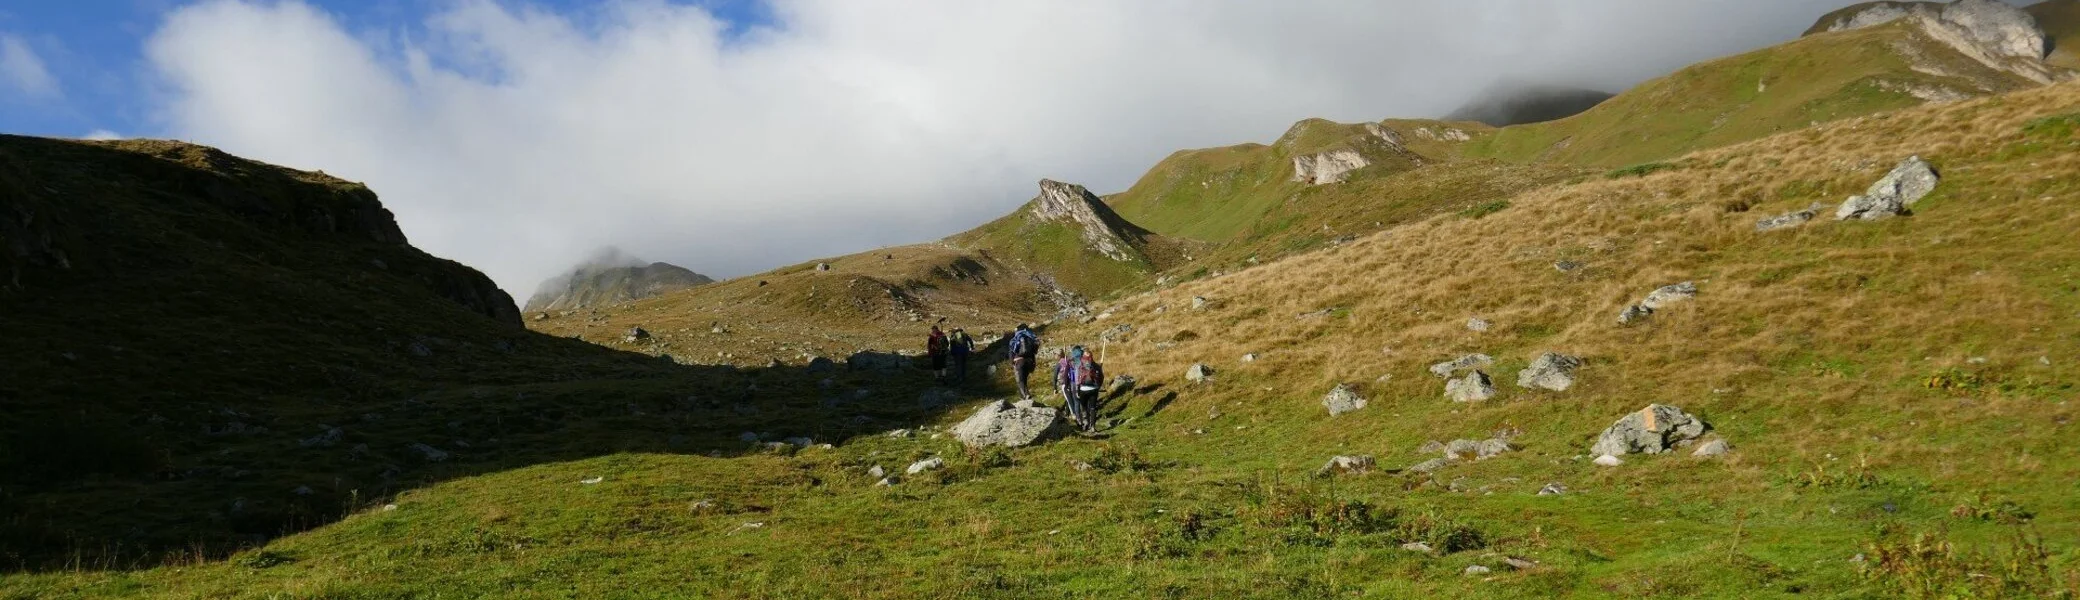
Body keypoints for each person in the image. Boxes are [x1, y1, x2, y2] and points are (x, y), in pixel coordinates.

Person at [1054, 345, 1103, 432]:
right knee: (1092, 407)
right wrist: (1098, 386)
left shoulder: (1077, 363)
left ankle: (1084, 423)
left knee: (1082, 406)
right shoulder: (1094, 364)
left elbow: (1075, 378)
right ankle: (1092, 426)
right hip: (1094, 389)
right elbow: (1101, 376)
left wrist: (1075, 388)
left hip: (1082, 388)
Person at [1007, 324, 1040, 400]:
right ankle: (1025, 395)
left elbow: (1011, 352)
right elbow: (1034, 352)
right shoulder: (1030, 337)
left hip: (1019, 361)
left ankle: (1026, 396)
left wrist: (1012, 362)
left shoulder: (1015, 339)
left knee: (1020, 380)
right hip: (1030, 362)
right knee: (1024, 379)